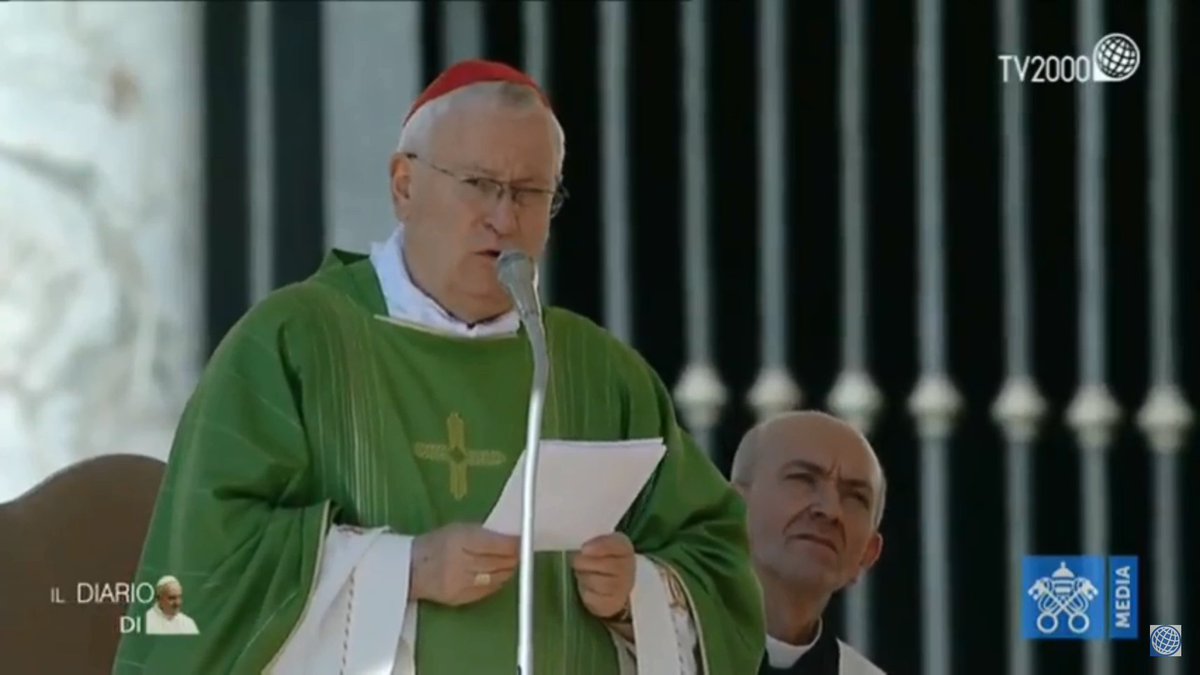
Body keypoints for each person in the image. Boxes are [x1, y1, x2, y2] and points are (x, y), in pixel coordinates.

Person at [112, 59, 764, 675]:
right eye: (480, 184)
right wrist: (406, 568)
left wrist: (636, 593)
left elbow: (717, 562)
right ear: (404, 184)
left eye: (531, 192)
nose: (504, 218)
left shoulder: (599, 373)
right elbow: (206, 564)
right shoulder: (295, 343)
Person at [731, 411, 887, 674]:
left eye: (855, 497)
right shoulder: (652, 650)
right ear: (732, 509)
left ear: (868, 554)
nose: (830, 510)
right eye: (803, 479)